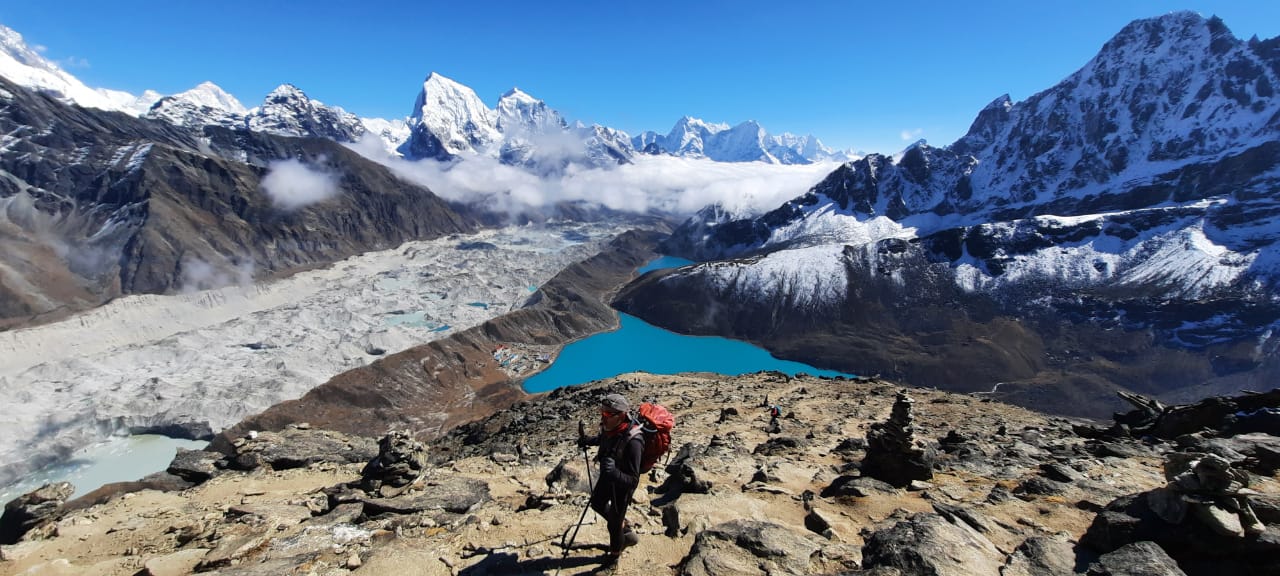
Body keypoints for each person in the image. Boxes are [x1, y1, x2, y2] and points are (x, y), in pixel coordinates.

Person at [578, 393, 643, 562]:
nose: (603, 418)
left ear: (621, 415)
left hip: (622, 486)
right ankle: (624, 527)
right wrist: (588, 441)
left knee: (613, 525)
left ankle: (613, 560)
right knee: (597, 503)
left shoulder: (634, 441)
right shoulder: (611, 427)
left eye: (607, 414)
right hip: (609, 475)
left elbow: (633, 481)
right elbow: (604, 439)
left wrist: (613, 472)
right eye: (602, 413)